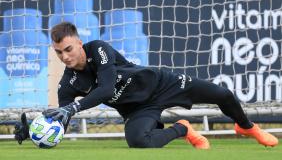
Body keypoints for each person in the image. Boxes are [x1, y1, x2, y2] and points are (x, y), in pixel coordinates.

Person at [14, 21, 278, 149]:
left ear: (79, 43)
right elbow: (63, 121)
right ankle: (182, 129)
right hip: (136, 110)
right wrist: (37, 130)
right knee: (139, 142)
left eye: (68, 49)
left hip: (163, 83)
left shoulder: (99, 49)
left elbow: (105, 89)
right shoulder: (67, 86)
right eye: (59, 52)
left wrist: (72, 108)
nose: (65, 56)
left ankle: (247, 127)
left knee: (222, 93)